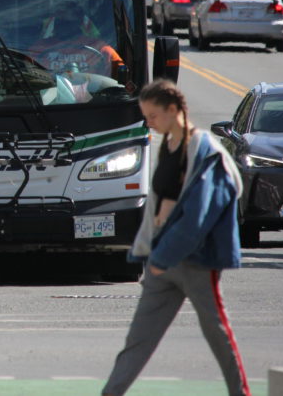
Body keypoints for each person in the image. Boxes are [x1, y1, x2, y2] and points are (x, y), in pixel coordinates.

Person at [102, 79, 250, 396]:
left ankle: (241, 393)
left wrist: (161, 257)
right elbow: (162, 203)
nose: (149, 124)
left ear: (173, 110)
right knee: (138, 339)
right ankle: (111, 392)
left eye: (152, 116)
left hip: (195, 262)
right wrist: (153, 253)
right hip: (161, 261)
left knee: (217, 333)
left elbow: (198, 217)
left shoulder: (207, 153)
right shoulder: (168, 146)